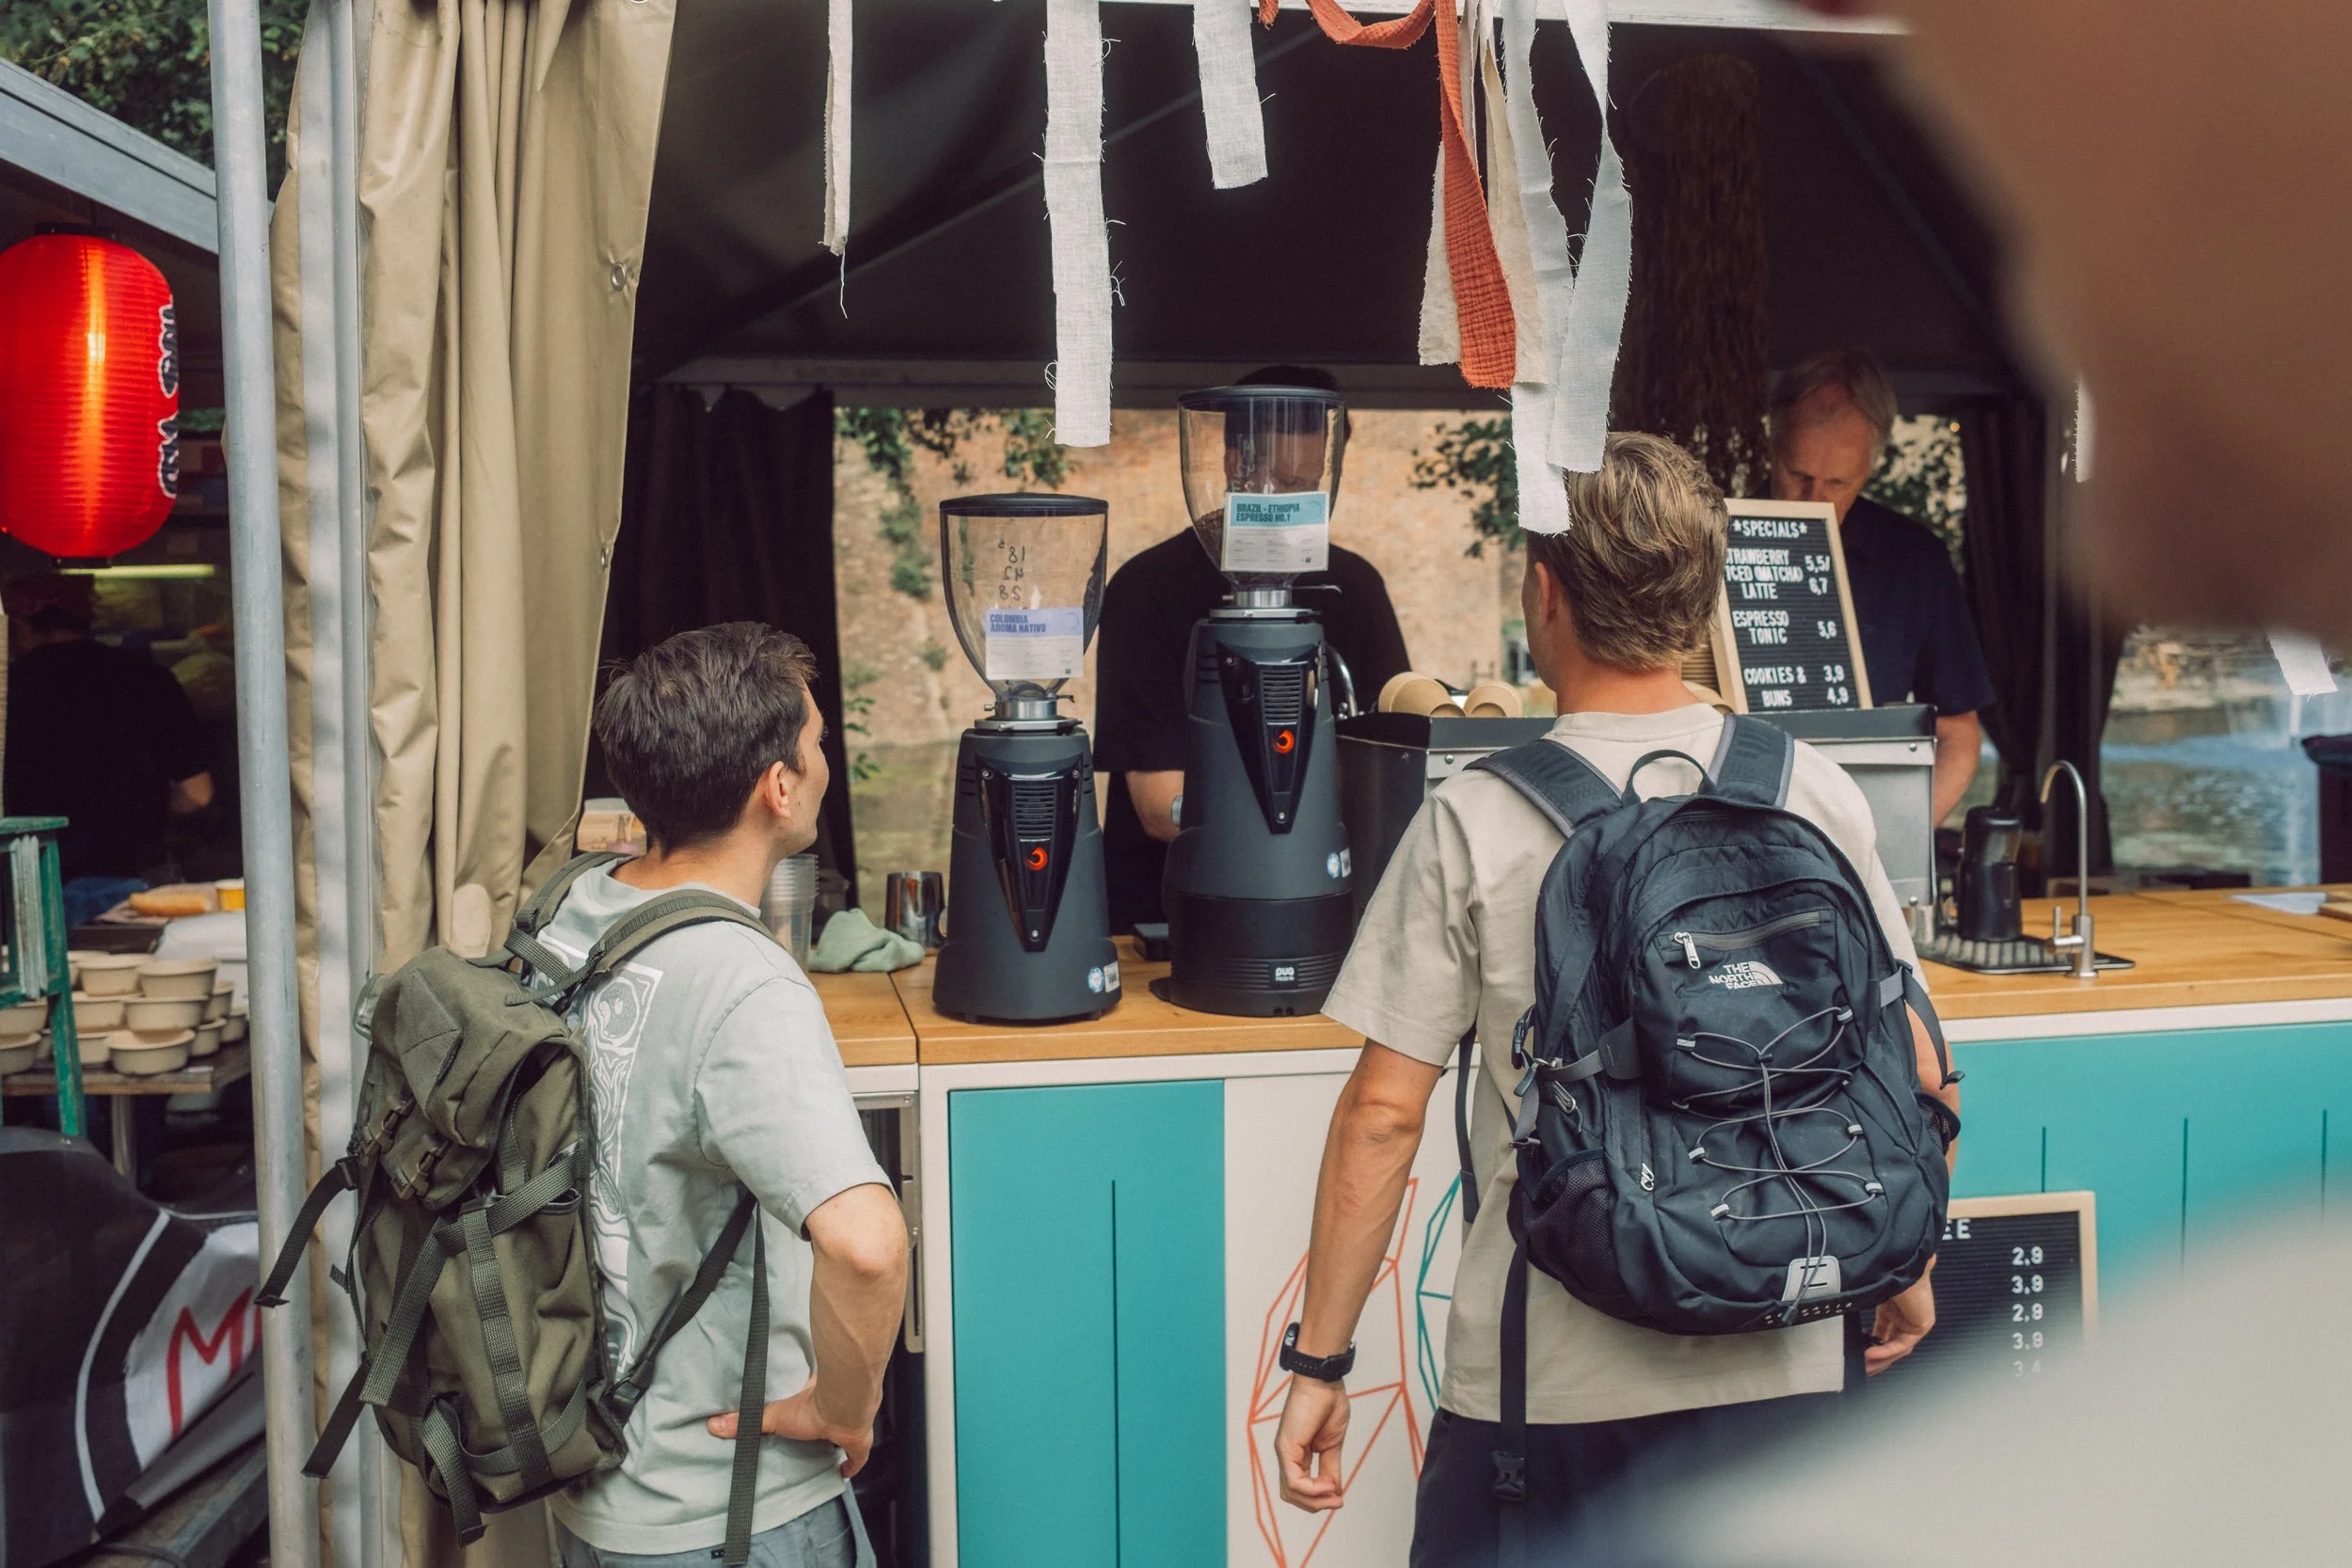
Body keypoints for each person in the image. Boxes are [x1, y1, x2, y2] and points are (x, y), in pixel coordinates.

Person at [1271, 434, 1958, 1562]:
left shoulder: (1475, 815)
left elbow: (1383, 1117)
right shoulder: (1812, 787)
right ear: (1703, 596)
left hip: (1549, 1391)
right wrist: (1907, 1262)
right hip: (1792, 1344)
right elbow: (1915, 1066)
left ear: (1544, 593)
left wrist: (1321, 1362)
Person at [537, 622, 907, 1568]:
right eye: (816, 740)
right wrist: (841, 1404)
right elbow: (866, 1245)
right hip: (731, 1506)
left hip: (590, 1486)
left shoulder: (571, 912)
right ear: (778, 786)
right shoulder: (740, 979)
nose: (824, 758)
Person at [1092, 366, 1410, 932]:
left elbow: (1390, 771)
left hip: (1324, 904)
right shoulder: (1147, 589)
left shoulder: (1356, 589)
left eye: (1312, 488)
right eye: (1285, 486)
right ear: (1234, 462)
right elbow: (1158, 806)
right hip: (1173, 916)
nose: (1299, 510)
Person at [1770, 349, 1994, 824]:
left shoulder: (1914, 562)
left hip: (1861, 822)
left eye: (1837, 483)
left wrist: (1898, 837)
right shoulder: (1706, 538)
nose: (1814, 503)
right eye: (1799, 476)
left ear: (1870, 469)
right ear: (1772, 443)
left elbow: (1959, 732)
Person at [3, 573, 214, 919]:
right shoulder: (150, 680)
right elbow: (198, 793)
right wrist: (141, 811)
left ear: (23, 627)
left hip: (32, 890)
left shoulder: (9, 691)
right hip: (136, 885)